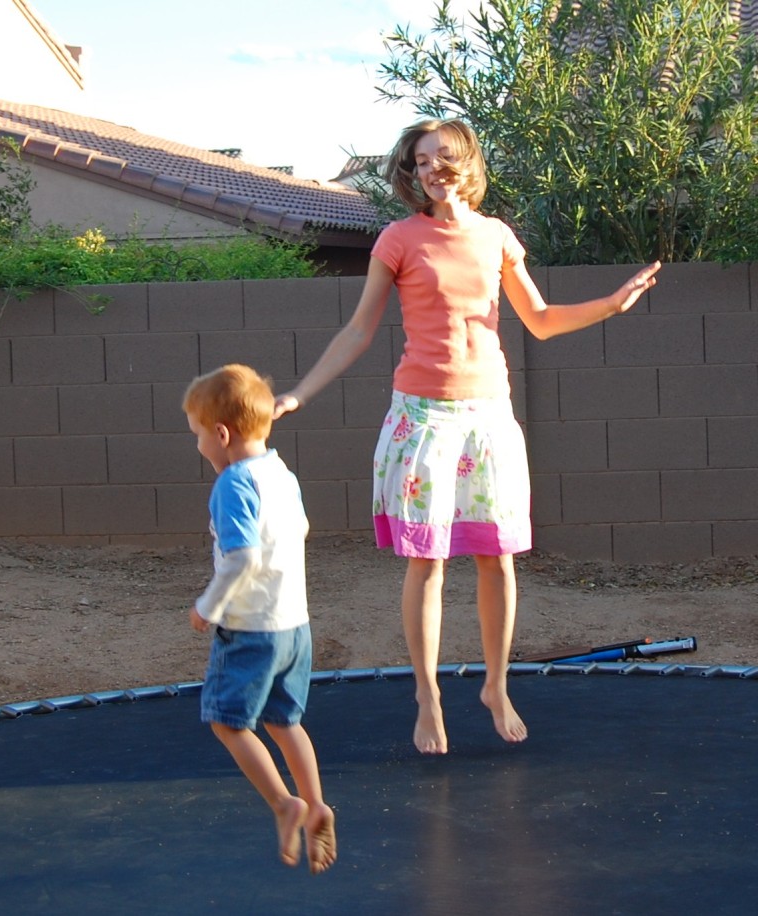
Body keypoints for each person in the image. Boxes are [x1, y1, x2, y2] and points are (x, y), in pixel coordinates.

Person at [274, 118, 661, 756]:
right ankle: (427, 694)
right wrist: (299, 392)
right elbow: (358, 331)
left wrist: (610, 305)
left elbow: (536, 319)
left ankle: (496, 685)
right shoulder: (399, 240)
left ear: (466, 162)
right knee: (427, 561)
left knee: (497, 557)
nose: (431, 168)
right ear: (412, 173)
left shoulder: (496, 236)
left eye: (442, 156)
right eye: (420, 160)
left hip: (488, 416)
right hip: (423, 418)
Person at [183, 363, 337, 874]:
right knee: (285, 720)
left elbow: (241, 557)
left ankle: (282, 802)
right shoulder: (280, 472)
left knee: (227, 723)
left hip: (250, 630)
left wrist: (210, 606)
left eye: (199, 436)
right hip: (295, 624)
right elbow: (302, 528)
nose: (200, 445)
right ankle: (315, 802)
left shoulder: (232, 483)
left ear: (222, 434)